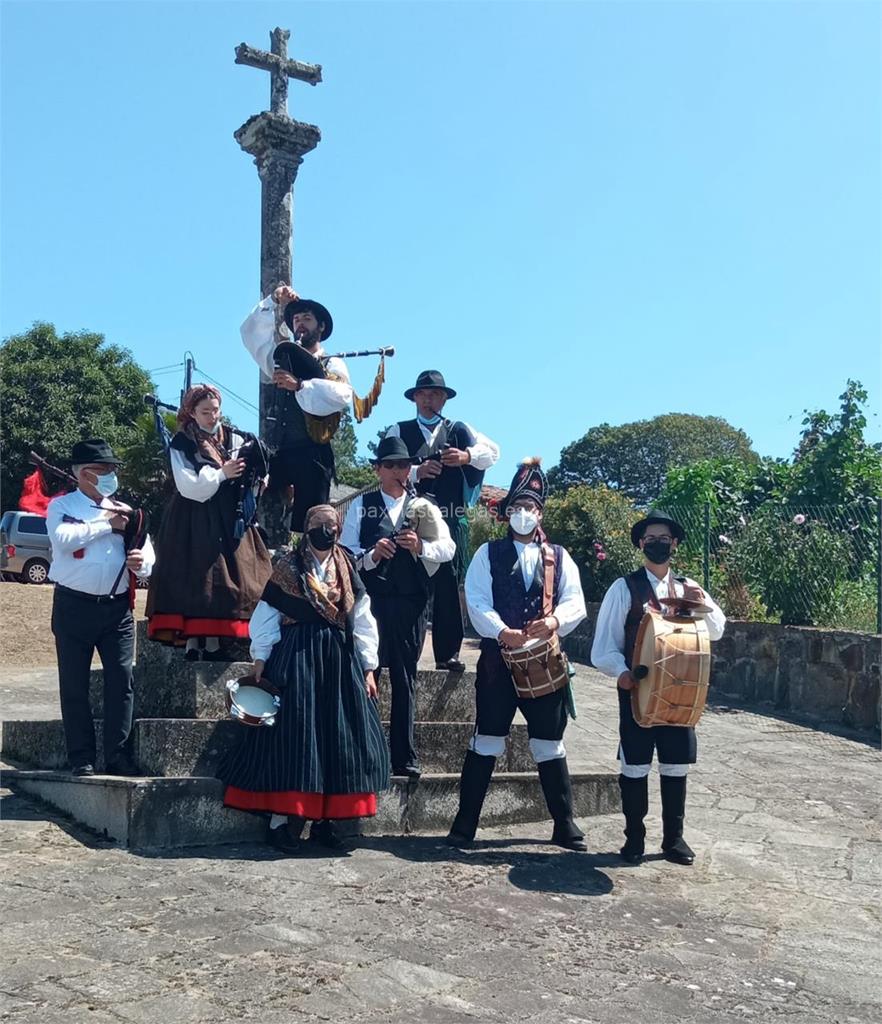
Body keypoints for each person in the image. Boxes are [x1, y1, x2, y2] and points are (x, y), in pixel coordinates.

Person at [219, 505, 390, 852]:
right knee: (295, 737)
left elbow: (362, 617)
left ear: (339, 530)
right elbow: (267, 613)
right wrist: (261, 658)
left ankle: (328, 822)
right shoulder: (287, 566)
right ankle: (281, 822)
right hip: (297, 657)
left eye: (330, 524)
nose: (324, 529)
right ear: (306, 527)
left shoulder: (347, 569)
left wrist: (368, 667)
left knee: (337, 737)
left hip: (340, 662)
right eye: (317, 523)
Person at [447, 458, 588, 850]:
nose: (523, 514)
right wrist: (500, 631)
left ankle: (564, 825)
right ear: (507, 513)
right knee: (487, 739)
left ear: (540, 513)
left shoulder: (559, 556)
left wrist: (556, 622)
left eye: (530, 508)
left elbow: (575, 602)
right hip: (498, 664)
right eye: (517, 508)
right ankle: (464, 825)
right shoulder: (486, 554)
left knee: (548, 743)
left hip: (545, 664)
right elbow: (475, 601)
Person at [591, 510, 727, 866]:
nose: (657, 544)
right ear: (640, 544)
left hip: (681, 694)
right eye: (650, 539)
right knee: (634, 765)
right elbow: (603, 647)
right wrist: (621, 673)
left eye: (664, 538)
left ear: (675, 543)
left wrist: (702, 601)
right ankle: (634, 837)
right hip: (638, 690)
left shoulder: (688, 587)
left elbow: (716, 630)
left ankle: (674, 839)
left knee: (675, 764)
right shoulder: (624, 587)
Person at [340, 436, 455, 778]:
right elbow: (345, 555)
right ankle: (366, 752)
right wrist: (372, 556)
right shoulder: (362, 507)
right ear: (377, 470)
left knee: (406, 678)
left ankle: (404, 756)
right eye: (389, 465)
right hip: (369, 604)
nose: (396, 471)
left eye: (403, 465)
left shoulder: (426, 506)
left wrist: (420, 546)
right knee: (366, 673)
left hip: (410, 604)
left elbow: (447, 549)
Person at [47, 439, 155, 776]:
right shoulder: (62, 506)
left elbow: (149, 554)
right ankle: (81, 756)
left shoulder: (125, 509)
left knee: (121, 681)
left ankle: (117, 755)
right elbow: (63, 539)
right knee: (74, 683)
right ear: (81, 474)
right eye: (102, 470)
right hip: (73, 605)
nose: (110, 475)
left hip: (117, 608)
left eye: (112, 470)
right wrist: (106, 525)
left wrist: (142, 563)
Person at [146, 384, 272, 660]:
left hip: (231, 517)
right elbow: (189, 487)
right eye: (205, 412)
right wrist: (222, 475)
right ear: (192, 412)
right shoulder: (182, 444)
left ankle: (216, 641)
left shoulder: (237, 439)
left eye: (215, 411)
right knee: (195, 576)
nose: (212, 417)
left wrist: (256, 477)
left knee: (238, 578)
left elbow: (255, 472)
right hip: (192, 518)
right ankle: (193, 641)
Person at [386, 370, 500, 672]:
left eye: (435, 394)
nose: (428, 399)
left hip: (448, 519)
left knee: (448, 586)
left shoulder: (459, 429)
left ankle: (448, 653)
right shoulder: (399, 429)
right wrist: (416, 473)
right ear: (414, 399)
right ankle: (402, 648)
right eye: (422, 394)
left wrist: (465, 457)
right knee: (408, 583)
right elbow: (386, 468)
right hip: (408, 518)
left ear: (444, 399)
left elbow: (492, 453)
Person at [241, 285, 353, 534]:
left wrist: (300, 385)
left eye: (307, 319)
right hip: (278, 453)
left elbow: (343, 395)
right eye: (296, 319)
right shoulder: (282, 359)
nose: (300, 324)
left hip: (312, 455)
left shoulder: (331, 363)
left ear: (320, 327)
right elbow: (251, 335)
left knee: (312, 526)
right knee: (262, 520)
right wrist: (273, 300)